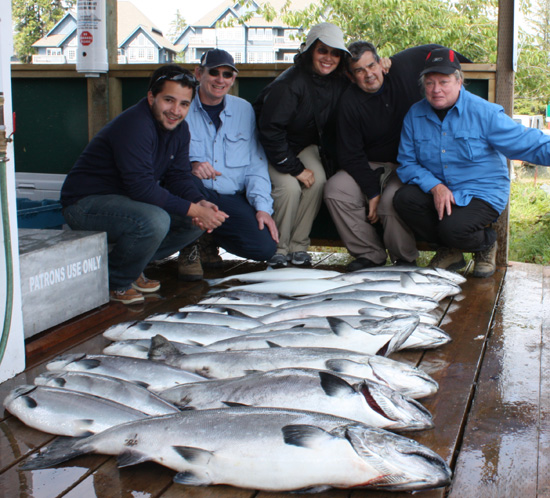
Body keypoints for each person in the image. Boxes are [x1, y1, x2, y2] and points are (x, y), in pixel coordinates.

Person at [60, 65, 227, 305]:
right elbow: (141, 187)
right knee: (156, 220)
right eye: (168, 100)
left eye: (184, 104)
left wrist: (199, 203)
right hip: (85, 205)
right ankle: (115, 281)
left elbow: (178, 176)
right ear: (152, 97)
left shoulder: (181, 129)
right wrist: (193, 209)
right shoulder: (135, 124)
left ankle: (132, 266)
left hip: (128, 203)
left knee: (194, 223)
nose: (176, 111)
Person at [394, 47, 550, 278]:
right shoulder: (414, 115)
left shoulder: (484, 113)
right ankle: (451, 250)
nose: (436, 89)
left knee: (453, 229)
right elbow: (406, 162)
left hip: (482, 191)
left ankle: (485, 244)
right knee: (404, 200)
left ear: (459, 81)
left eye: (444, 82)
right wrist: (435, 186)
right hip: (441, 189)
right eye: (430, 82)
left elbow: (526, 142)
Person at [324, 42, 471, 272]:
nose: (368, 74)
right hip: (369, 164)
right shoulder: (349, 102)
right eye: (359, 70)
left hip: (407, 162)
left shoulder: (400, 68)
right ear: (351, 77)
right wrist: (371, 190)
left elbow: (431, 50)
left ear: (381, 62)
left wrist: (471, 65)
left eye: (371, 65)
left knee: (391, 199)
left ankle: (404, 260)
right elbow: (350, 154)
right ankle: (370, 254)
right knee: (335, 190)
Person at [254, 22, 350, 268]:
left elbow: (369, 77)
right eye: (322, 50)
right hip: (273, 147)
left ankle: (299, 246)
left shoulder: (338, 80)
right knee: (290, 188)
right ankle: (279, 248)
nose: (328, 58)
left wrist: (386, 64)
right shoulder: (289, 84)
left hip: (303, 144)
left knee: (318, 180)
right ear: (309, 51)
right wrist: (295, 169)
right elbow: (270, 132)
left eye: (335, 52)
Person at [182, 49, 278, 279]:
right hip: (191, 194)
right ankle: (189, 246)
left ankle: (208, 236)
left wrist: (263, 208)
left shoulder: (243, 109)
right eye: (213, 72)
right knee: (185, 181)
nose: (220, 79)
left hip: (228, 197)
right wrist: (192, 165)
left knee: (265, 248)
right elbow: (164, 159)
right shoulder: (181, 105)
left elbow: (256, 164)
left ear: (233, 79)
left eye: (227, 74)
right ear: (198, 73)